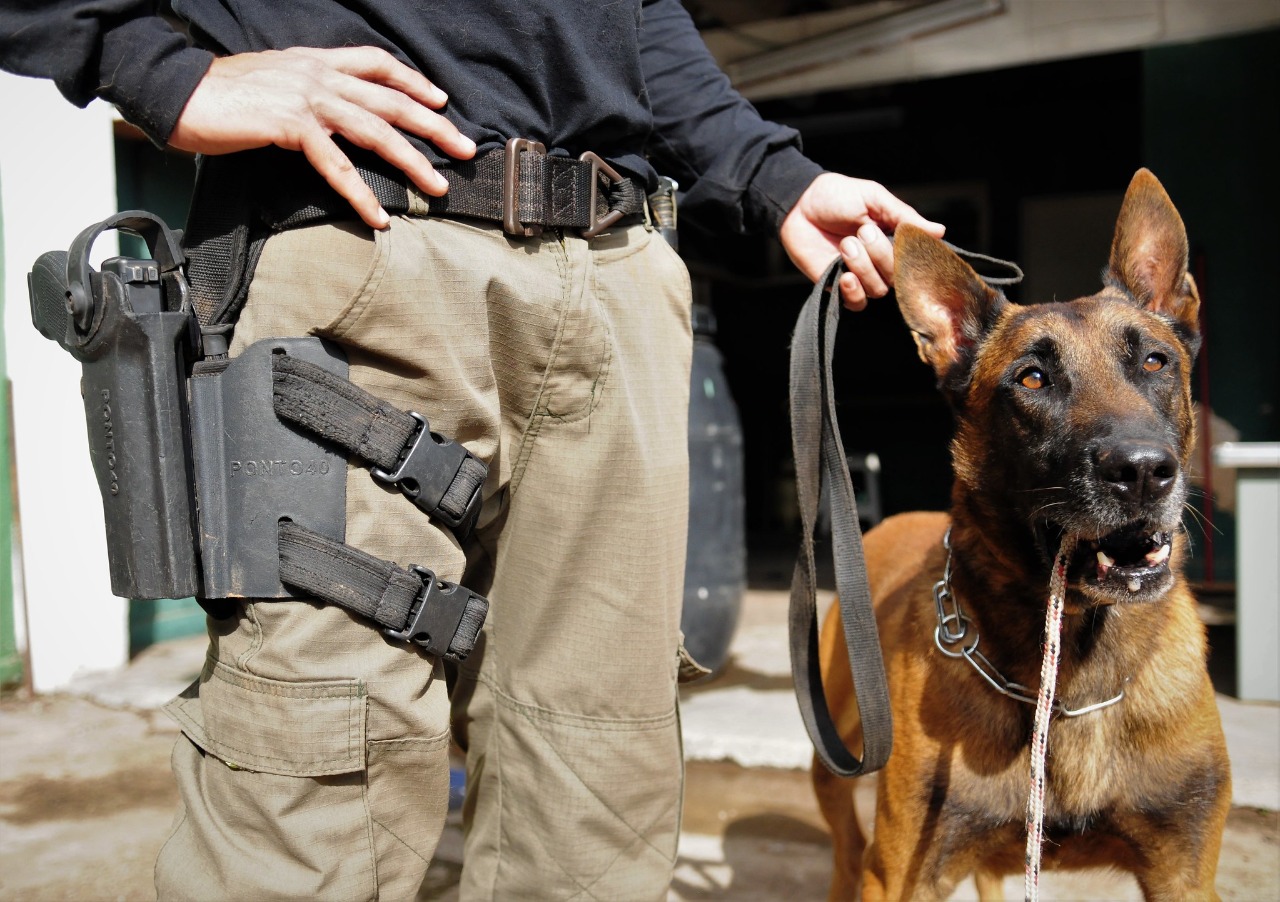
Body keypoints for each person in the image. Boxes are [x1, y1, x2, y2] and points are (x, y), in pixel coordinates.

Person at [1, 2, 944, 899]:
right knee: (312, 805)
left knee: (596, 795)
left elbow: (636, 17)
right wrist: (165, 76)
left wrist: (773, 175)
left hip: (616, 272)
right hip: (363, 249)